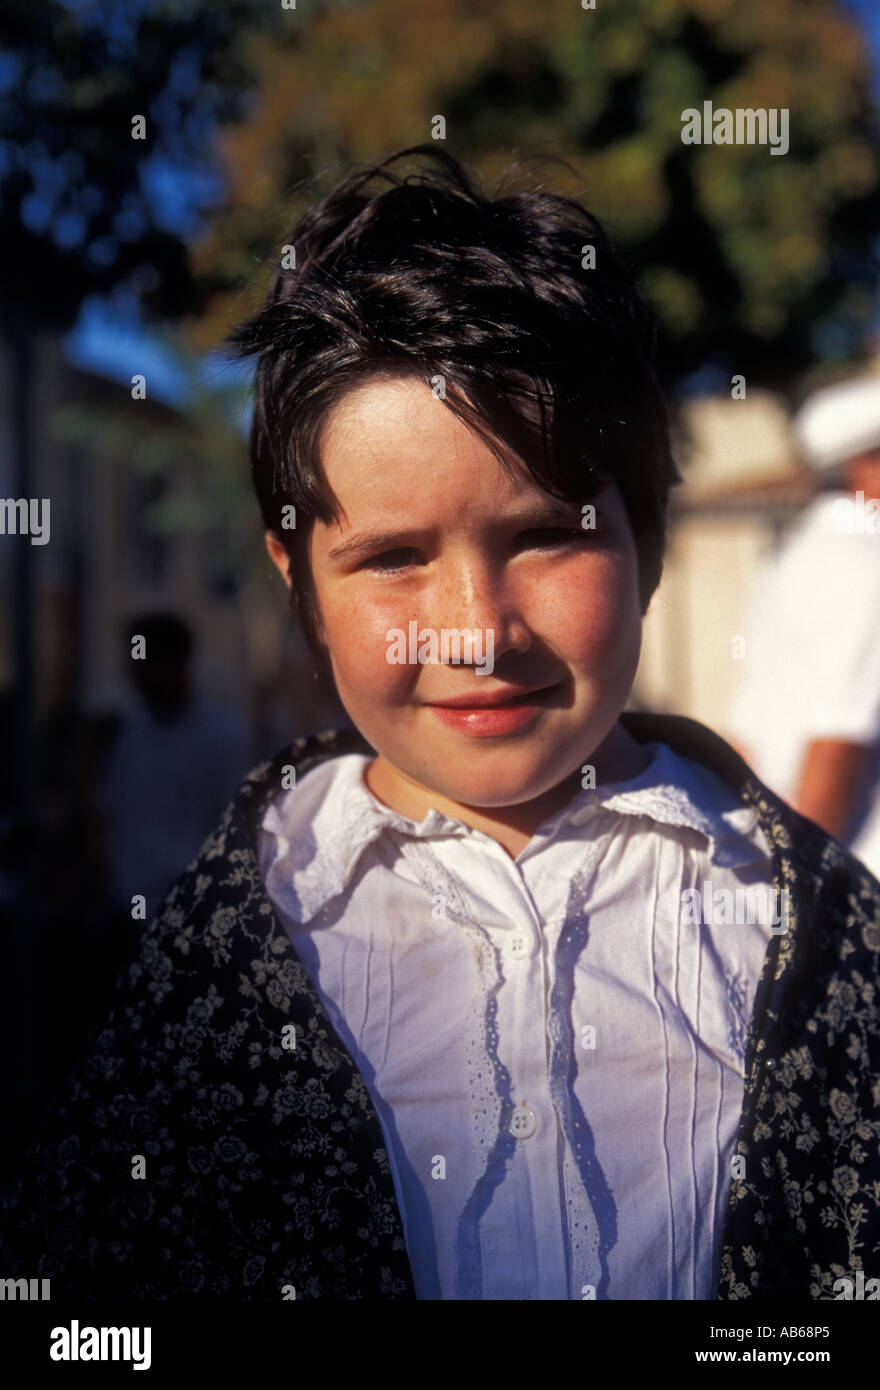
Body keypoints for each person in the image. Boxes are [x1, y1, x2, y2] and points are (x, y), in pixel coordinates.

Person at [1, 145, 878, 1302]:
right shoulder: (217, 959)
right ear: (299, 580)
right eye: (393, 559)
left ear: (645, 539)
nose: (474, 632)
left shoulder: (815, 932)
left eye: (543, 537)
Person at [727, 377, 880, 880]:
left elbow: (747, 733)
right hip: (854, 880)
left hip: (780, 847)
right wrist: (804, 889)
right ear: (865, 466)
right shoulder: (866, 566)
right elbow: (837, 740)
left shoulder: (793, 558)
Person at [96, 613, 251, 921]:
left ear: (176, 663)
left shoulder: (220, 735)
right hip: (127, 909)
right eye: (133, 657)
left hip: (189, 914)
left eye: (144, 657)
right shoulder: (126, 732)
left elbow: (234, 826)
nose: (134, 669)